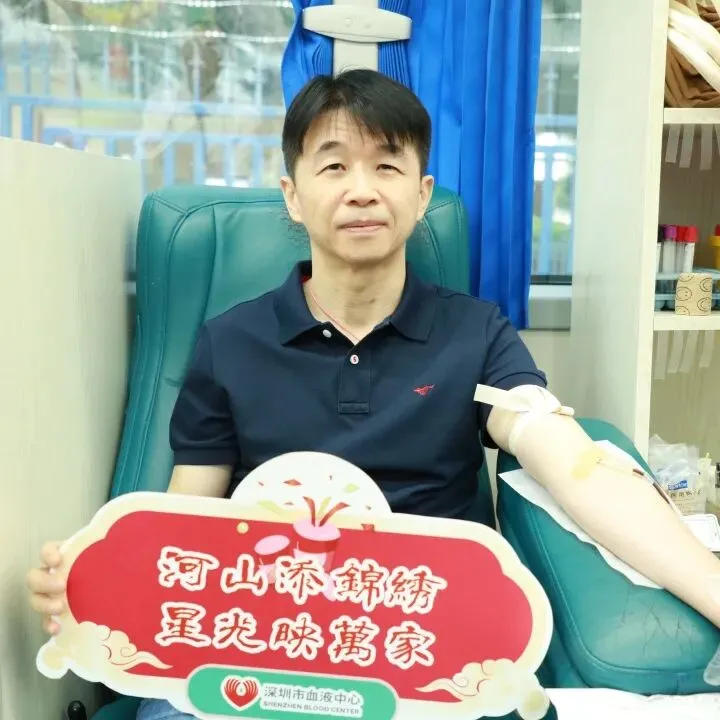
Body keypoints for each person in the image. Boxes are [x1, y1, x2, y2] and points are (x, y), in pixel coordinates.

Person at [27, 70, 720, 719]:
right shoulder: (229, 343)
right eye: (333, 167)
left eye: (387, 166)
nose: (361, 190)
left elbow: (576, 467)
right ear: (292, 195)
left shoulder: (475, 334)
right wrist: (95, 580)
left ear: (421, 194)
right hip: (266, 638)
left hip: (428, 643)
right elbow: (184, 525)